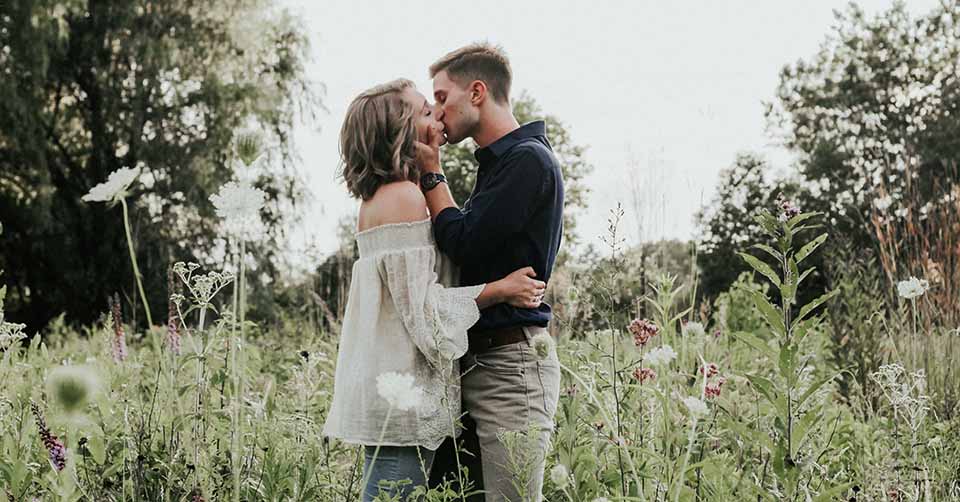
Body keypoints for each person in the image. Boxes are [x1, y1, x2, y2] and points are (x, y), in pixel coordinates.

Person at [321, 77, 548, 501]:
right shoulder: (402, 198)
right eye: (427, 111)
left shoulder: (393, 195)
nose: (439, 116)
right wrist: (500, 289)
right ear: (402, 133)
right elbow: (425, 313)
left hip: (398, 398)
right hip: (402, 404)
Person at [420, 43, 565, 502]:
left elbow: (464, 242)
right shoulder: (502, 163)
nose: (438, 112)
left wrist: (431, 174)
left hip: (511, 369)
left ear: (477, 92)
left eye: (443, 97)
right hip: (479, 362)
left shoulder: (527, 160)